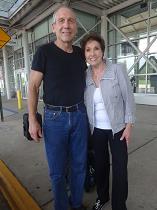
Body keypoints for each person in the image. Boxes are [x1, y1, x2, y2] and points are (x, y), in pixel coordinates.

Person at [28, 5, 88, 210]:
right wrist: (33, 120)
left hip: (80, 115)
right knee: (57, 171)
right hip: (55, 119)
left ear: (76, 28)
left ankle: (77, 203)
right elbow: (33, 86)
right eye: (61, 21)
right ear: (54, 27)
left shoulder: (81, 54)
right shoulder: (44, 52)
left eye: (71, 21)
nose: (66, 25)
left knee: (79, 165)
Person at [81, 33, 135, 210]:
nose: (92, 53)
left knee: (120, 170)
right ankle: (102, 197)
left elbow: (129, 98)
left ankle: (119, 205)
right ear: (85, 54)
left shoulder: (117, 69)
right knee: (101, 166)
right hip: (96, 129)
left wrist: (128, 125)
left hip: (117, 128)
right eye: (88, 50)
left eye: (96, 48)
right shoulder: (86, 75)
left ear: (102, 51)